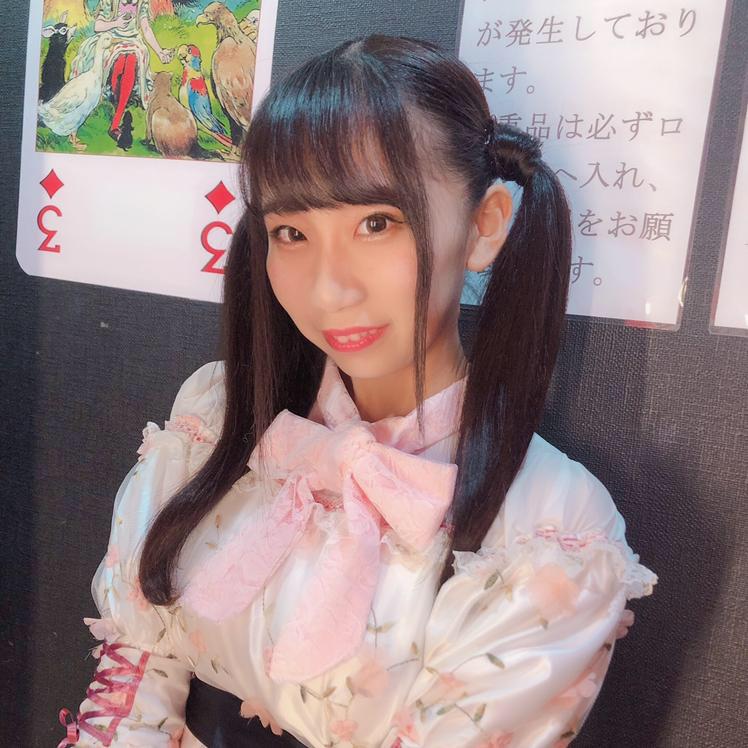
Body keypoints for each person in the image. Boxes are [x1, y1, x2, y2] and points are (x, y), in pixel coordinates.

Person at [56, 34, 657, 747]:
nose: (329, 289)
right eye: (291, 232)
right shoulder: (218, 416)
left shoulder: (547, 529)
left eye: (377, 223)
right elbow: (133, 679)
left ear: (484, 226)